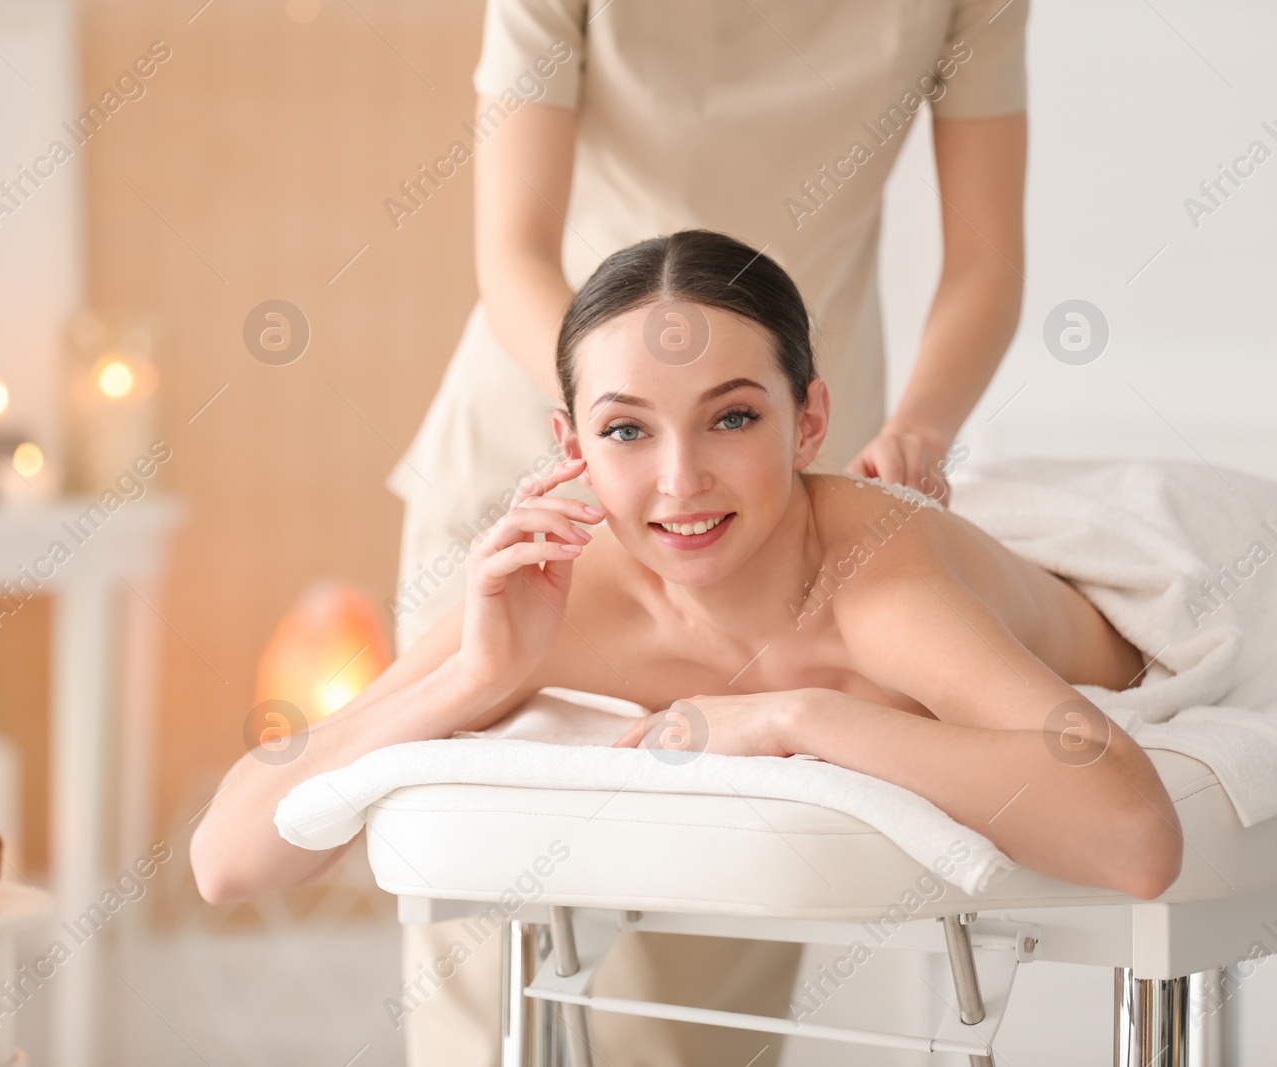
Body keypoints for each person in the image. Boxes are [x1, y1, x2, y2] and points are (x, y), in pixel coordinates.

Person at [196, 232, 1183, 1063]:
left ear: (809, 422)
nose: (680, 480)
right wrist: (474, 675)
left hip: (1145, 575)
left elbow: (1135, 833)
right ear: (569, 446)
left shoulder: (878, 586)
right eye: (626, 431)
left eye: (733, 417)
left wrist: (799, 718)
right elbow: (227, 858)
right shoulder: (564, 591)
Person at [386, 2, 1028, 1061]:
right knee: (480, 942)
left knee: (706, 969)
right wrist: (625, 430)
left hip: (770, 491)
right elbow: (511, 246)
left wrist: (916, 428)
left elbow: (986, 261)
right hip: (542, 458)